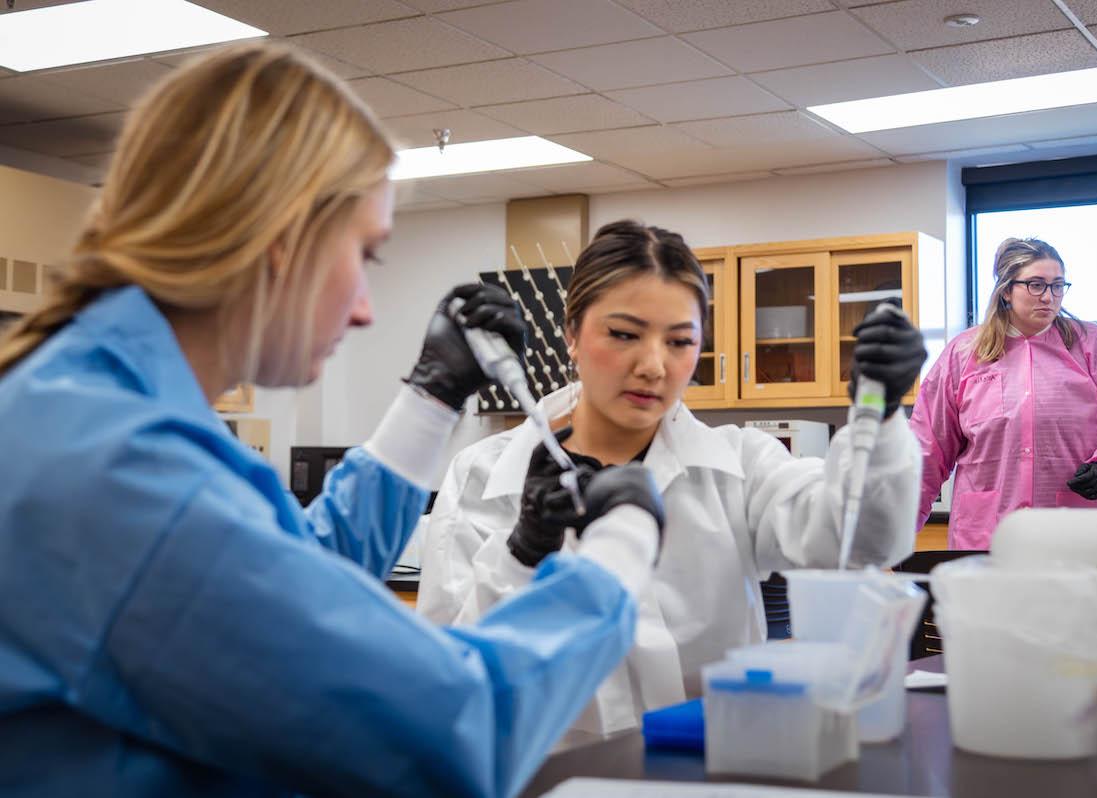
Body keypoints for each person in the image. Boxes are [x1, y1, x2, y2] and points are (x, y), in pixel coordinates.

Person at [0, 43, 668, 798]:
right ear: (282, 240)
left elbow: (287, 591)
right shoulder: (122, 466)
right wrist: (620, 547)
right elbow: (457, 729)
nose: (364, 309)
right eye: (366, 254)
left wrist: (430, 400)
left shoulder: (86, 407)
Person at [417, 219, 927, 734]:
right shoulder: (485, 477)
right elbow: (449, 676)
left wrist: (878, 415)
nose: (654, 366)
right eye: (624, 334)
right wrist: (522, 553)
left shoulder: (739, 467)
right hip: (548, 778)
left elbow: (861, 542)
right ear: (571, 334)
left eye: (680, 342)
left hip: (716, 771)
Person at [909, 237, 1097, 549]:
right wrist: (897, 533)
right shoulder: (963, 355)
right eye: (1036, 285)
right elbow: (927, 451)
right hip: (987, 535)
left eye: (1058, 286)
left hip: (1080, 535)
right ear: (1006, 290)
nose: (1049, 297)